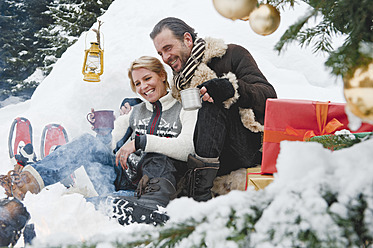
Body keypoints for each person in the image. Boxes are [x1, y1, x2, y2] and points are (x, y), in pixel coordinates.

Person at [0, 56, 198, 225]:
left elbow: (186, 148)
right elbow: (110, 147)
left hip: (146, 193)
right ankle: (29, 183)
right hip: (121, 177)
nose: (143, 87)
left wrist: (141, 142)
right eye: (137, 83)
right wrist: (103, 132)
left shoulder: (181, 109)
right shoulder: (137, 112)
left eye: (148, 78)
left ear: (162, 76)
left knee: (89, 207)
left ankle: (70, 206)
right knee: (88, 142)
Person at [150, 17, 277, 201]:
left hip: (243, 145)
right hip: (206, 153)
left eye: (168, 48)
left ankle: (199, 196)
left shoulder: (231, 54)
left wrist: (231, 88)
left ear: (187, 39)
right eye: (160, 53)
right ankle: (154, 195)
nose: (165, 58)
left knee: (210, 103)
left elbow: (269, 96)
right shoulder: (179, 83)